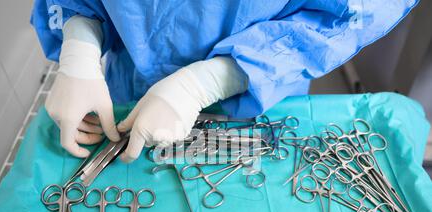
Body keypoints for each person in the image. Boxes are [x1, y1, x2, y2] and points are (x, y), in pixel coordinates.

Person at [31, 0, 418, 162]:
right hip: (131, 87)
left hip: (261, 98)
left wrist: (209, 81)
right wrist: (79, 44)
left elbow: (356, 11)